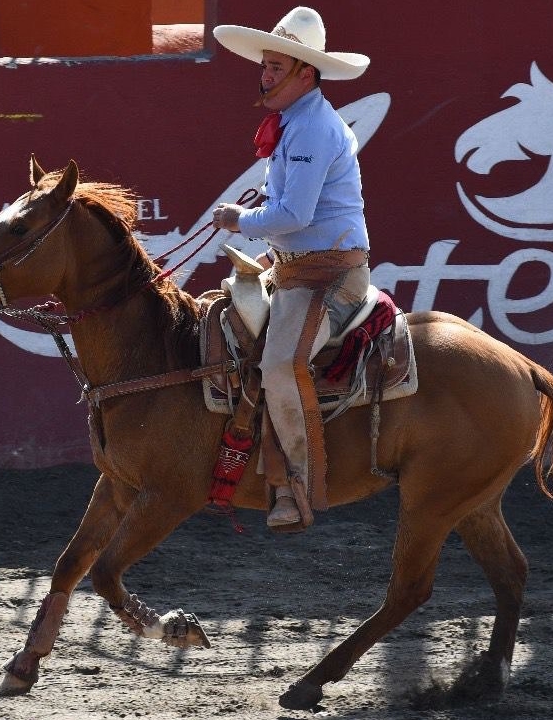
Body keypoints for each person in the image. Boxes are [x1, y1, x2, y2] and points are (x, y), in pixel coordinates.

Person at [211, 6, 372, 530]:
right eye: (265, 65)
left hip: (328, 277)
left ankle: (294, 487)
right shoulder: (297, 123)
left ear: (307, 73)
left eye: (277, 67)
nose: (264, 74)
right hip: (298, 266)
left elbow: (295, 214)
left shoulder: (312, 130)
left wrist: (241, 220)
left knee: (280, 364)